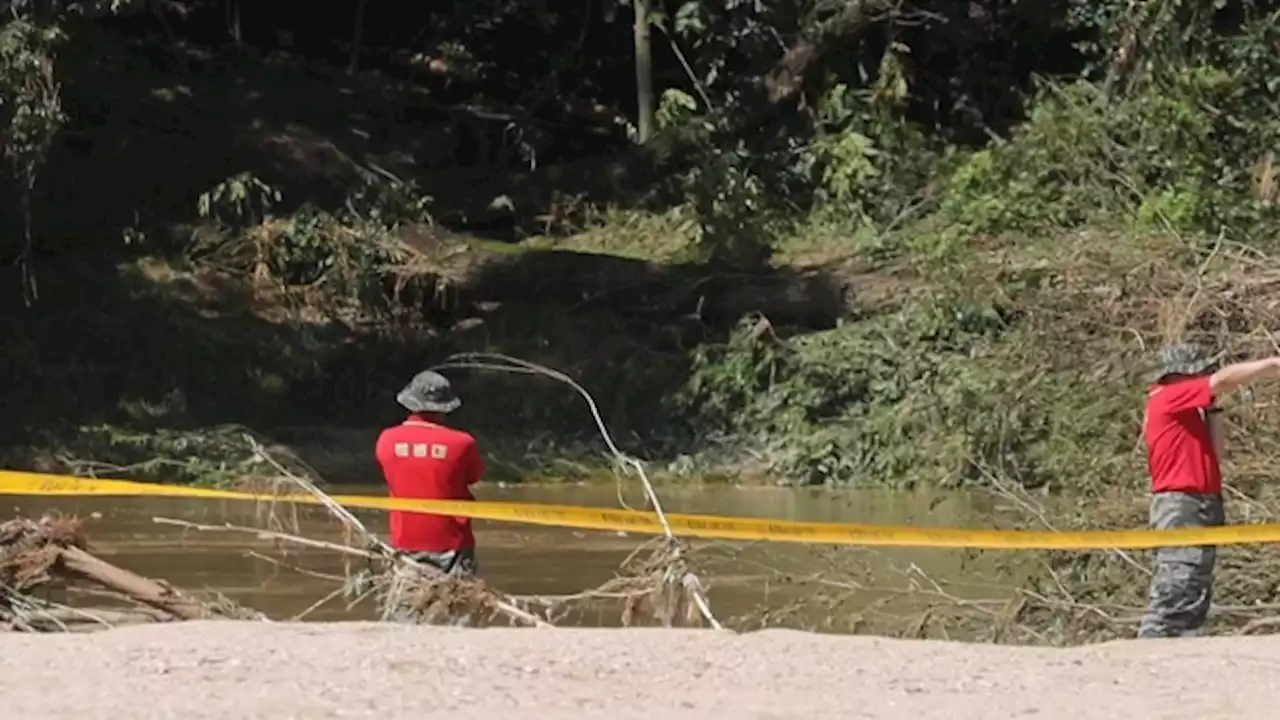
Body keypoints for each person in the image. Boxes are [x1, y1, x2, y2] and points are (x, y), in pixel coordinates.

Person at [1138, 344, 1280, 638]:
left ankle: (1183, 634)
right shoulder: (1169, 396)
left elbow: (1216, 454)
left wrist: (1212, 409)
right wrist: (1271, 364)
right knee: (1179, 574)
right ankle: (1157, 636)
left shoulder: (1188, 411)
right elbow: (1223, 379)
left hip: (1199, 499)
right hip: (1181, 501)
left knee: (1196, 576)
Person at [375, 369, 485, 580]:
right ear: (445, 406)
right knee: (455, 608)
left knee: (407, 608)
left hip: (405, 543)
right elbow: (474, 476)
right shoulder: (462, 443)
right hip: (453, 545)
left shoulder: (386, 440)